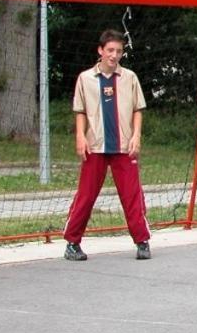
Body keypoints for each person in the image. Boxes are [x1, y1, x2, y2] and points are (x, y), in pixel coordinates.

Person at [62, 29, 152, 261]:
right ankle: (72, 242)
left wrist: (136, 136)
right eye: (110, 50)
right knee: (86, 195)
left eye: (119, 51)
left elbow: (137, 110)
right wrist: (80, 137)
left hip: (123, 147)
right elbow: (80, 111)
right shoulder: (85, 78)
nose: (114, 55)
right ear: (100, 51)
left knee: (132, 194)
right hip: (96, 146)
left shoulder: (129, 77)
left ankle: (142, 241)